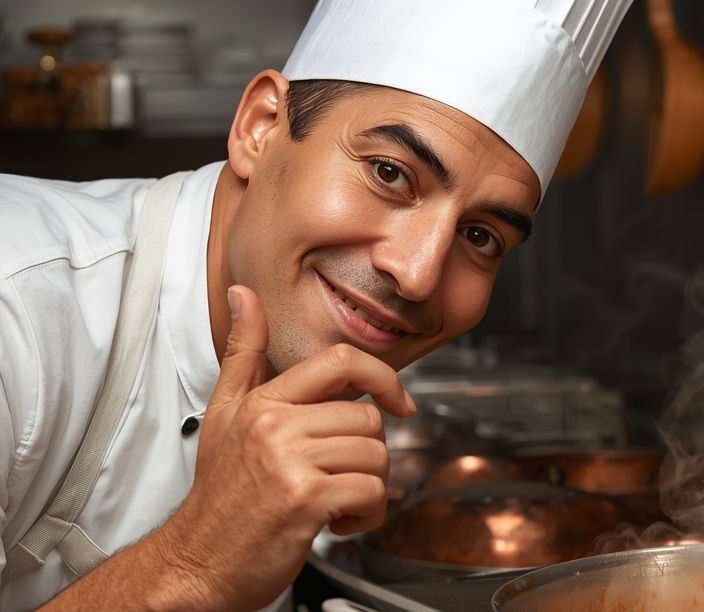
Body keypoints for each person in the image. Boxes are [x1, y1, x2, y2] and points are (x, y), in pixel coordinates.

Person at [0, 0, 631, 609]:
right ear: (260, 127)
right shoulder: (19, 306)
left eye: (480, 237)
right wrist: (195, 564)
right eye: (389, 173)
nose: (415, 275)